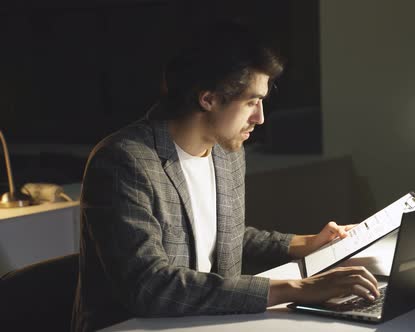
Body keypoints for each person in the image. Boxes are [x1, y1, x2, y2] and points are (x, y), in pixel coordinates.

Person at [71, 21, 379, 332]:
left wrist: (304, 243)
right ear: (208, 99)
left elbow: (221, 235)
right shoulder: (124, 160)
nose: (259, 117)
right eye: (251, 102)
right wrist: (298, 289)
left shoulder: (226, 151)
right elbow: (150, 287)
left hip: (211, 322)